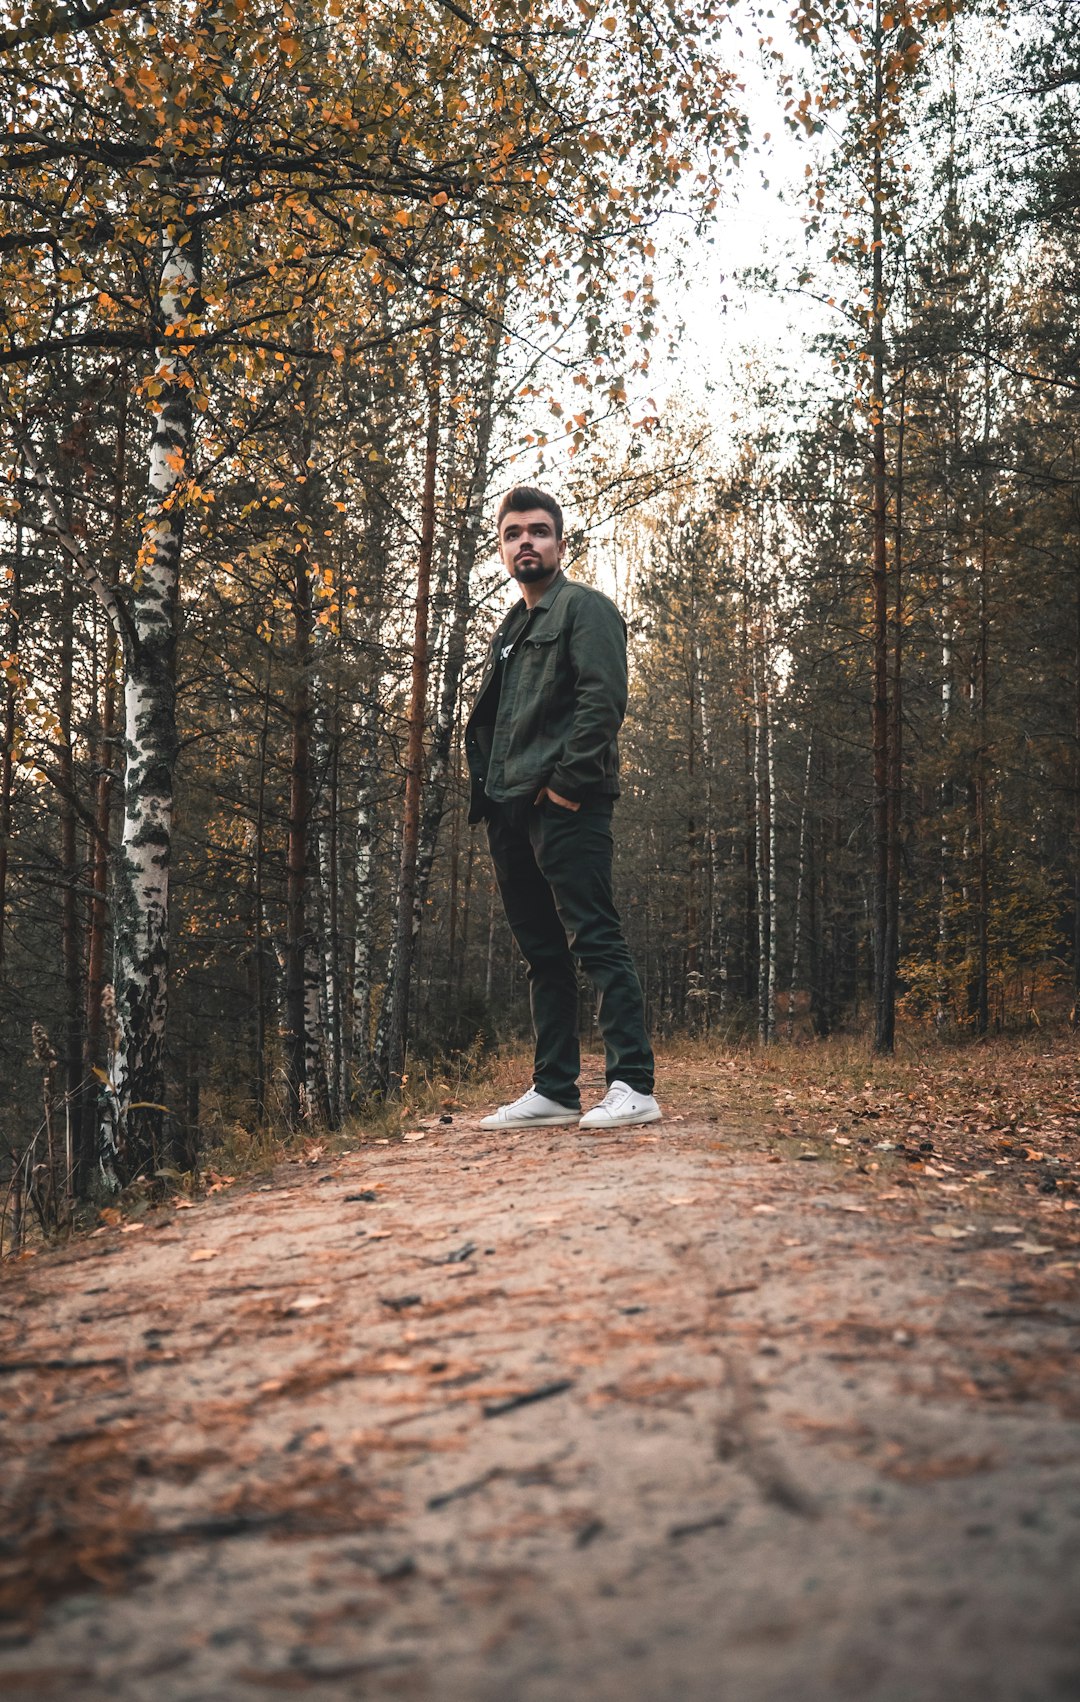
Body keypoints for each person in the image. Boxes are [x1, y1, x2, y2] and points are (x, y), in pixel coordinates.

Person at [465, 485, 661, 1131]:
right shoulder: (512, 627)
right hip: (510, 806)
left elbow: (602, 701)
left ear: (560, 544)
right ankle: (554, 1089)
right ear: (501, 548)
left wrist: (568, 787)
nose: (527, 541)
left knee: (594, 938)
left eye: (539, 531)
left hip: (565, 802)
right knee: (541, 951)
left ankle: (633, 1084)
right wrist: (497, 800)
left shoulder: (585, 609)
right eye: (514, 532)